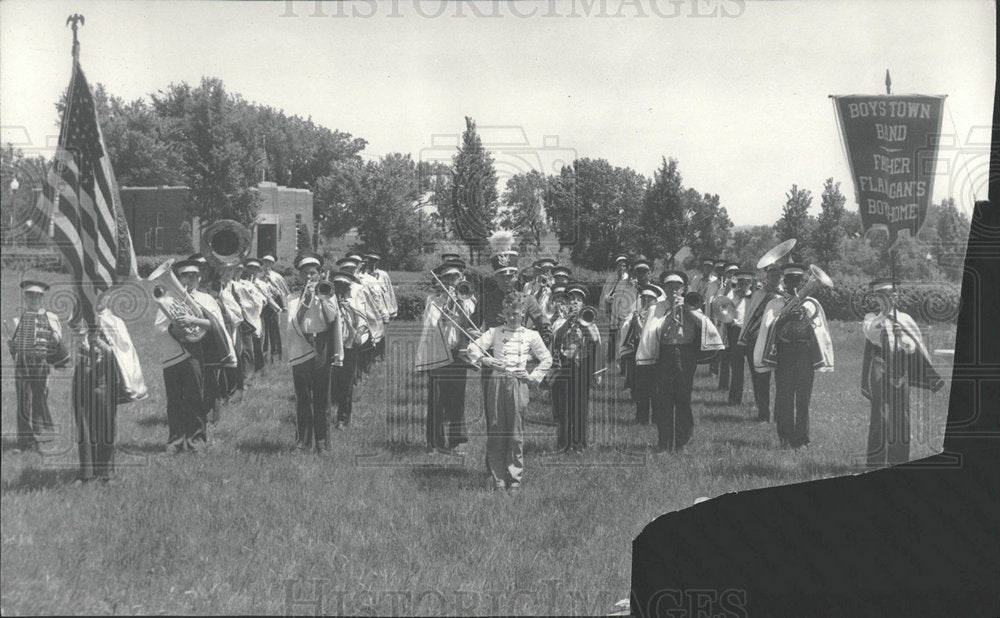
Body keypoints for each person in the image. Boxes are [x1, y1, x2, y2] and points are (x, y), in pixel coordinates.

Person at [468, 293, 552, 492]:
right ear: (503, 314)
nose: (512, 317)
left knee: (515, 432)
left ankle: (514, 477)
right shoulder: (495, 332)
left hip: (517, 383)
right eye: (508, 314)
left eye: (516, 313)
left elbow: (547, 359)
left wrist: (532, 377)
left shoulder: (531, 335)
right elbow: (472, 348)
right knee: (496, 428)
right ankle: (498, 478)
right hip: (497, 381)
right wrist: (485, 360)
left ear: (522, 313)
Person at [636, 271, 725, 452]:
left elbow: (705, 326)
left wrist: (687, 310)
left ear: (683, 288)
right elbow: (652, 333)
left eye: (678, 287)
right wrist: (670, 316)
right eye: (670, 287)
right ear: (665, 289)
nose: (674, 290)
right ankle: (664, 441)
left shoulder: (691, 304)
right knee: (663, 398)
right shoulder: (657, 308)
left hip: (685, 353)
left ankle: (682, 441)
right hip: (665, 354)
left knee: (683, 397)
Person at [861, 279, 944, 467]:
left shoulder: (905, 318)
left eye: (889, 296)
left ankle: (898, 460)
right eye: (881, 296)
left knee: (901, 415)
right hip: (880, 366)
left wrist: (901, 337)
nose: (885, 300)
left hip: (901, 368)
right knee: (880, 415)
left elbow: (913, 348)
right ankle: (875, 463)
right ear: (876, 298)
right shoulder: (871, 317)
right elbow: (871, 333)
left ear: (895, 296)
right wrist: (886, 316)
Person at [754, 263, 835, 449]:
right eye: (791, 280)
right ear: (785, 282)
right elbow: (769, 328)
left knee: (803, 398)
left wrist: (805, 319)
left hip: (805, 353)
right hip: (785, 353)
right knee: (784, 396)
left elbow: (819, 330)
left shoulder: (812, 304)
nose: (795, 284)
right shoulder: (775, 303)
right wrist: (785, 317)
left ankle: (802, 439)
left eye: (799, 280)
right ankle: (785, 437)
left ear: (803, 281)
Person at [72, 290, 147, 483]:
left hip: (105, 376)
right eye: (93, 293)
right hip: (83, 373)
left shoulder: (115, 322)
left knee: (106, 424)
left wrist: (100, 343)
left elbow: (122, 353)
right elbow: (75, 336)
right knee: (84, 424)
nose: (97, 298)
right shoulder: (81, 316)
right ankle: (86, 473)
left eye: (101, 294)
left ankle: (106, 472)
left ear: (108, 297)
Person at [477, 251, 552, 421]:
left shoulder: (528, 300)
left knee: (517, 413)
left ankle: (515, 447)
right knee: (493, 413)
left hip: (517, 367)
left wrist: (532, 355)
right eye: (502, 276)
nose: (506, 280)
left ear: (516, 277)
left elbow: (546, 329)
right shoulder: (485, 299)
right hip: (492, 366)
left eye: (510, 276)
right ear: (495, 278)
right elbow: (469, 327)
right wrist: (475, 336)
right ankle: (495, 447)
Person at [153, 260, 215, 453]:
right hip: (172, 355)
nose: (190, 279)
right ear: (178, 279)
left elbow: (215, 325)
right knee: (174, 400)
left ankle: (196, 441)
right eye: (185, 276)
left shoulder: (206, 299)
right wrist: (176, 327)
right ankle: (175, 441)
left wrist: (192, 320)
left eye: (194, 275)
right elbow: (158, 327)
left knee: (195, 398)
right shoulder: (168, 299)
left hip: (194, 354)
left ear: (200, 278)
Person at [416, 262, 478, 453]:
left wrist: (458, 301)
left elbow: (471, 318)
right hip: (437, 353)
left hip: (458, 353)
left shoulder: (468, 297)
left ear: (462, 278)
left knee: (457, 398)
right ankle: (434, 442)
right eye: (447, 278)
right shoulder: (433, 299)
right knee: (436, 399)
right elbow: (429, 323)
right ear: (441, 280)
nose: (451, 281)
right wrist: (443, 305)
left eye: (455, 277)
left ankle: (456, 441)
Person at [286, 253, 343, 453]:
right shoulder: (293, 297)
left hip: (322, 346)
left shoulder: (328, 294)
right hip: (302, 346)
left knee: (322, 397)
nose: (310, 277)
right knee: (303, 398)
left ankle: (322, 443)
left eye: (313, 273)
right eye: (306, 274)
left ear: (320, 275)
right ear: (300, 276)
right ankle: (303, 442)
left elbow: (332, 320)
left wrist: (322, 298)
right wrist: (307, 299)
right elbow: (295, 323)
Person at [7, 279, 71, 452]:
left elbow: (57, 341)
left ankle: (41, 437)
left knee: (39, 398)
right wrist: (12, 346)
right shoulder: (18, 317)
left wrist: (51, 337)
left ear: (42, 298)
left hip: (40, 364)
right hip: (22, 364)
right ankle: (24, 441)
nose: (33, 299)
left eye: (37, 296)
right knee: (23, 401)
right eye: (30, 296)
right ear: (25, 297)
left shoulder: (51, 317)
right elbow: (15, 344)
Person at [550, 283, 602, 452]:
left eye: (578, 300)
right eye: (571, 299)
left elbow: (596, 342)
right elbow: (555, 340)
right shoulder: (560, 322)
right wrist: (569, 321)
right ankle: (563, 443)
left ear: (583, 304)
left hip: (582, 366)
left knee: (580, 406)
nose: (574, 303)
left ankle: (579, 444)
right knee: (564, 406)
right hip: (565, 366)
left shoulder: (589, 321)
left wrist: (583, 323)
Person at [737, 263, 783, 421]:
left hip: (778, 341)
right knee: (759, 378)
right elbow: (750, 317)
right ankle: (763, 413)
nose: (775, 278)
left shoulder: (786, 294)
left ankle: (779, 414)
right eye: (771, 275)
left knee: (781, 380)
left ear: (781, 276)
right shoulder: (759, 294)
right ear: (767, 276)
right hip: (757, 339)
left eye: (777, 275)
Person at [330, 268, 372, 429]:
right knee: (329, 383)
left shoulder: (353, 304)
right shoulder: (326, 302)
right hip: (331, 348)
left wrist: (357, 334)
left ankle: (343, 418)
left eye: (344, 287)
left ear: (348, 289)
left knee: (346, 384)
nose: (341, 290)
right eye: (337, 286)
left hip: (348, 347)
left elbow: (363, 322)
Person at [618, 283, 664, 424]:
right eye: (643, 298)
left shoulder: (659, 314)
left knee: (656, 389)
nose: (645, 301)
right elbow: (629, 332)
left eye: (649, 299)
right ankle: (641, 418)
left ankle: (657, 418)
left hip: (656, 354)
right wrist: (634, 321)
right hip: (639, 353)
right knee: (640, 388)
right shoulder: (636, 313)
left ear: (655, 301)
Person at [600, 254, 635, 366]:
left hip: (623, 309)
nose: (622, 268)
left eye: (624, 266)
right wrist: (607, 299)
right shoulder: (611, 278)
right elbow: (606, 292)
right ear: (616, 266)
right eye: (619, 266)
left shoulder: (629, 279)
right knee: (612, 335)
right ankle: (610, 359)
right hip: (612, 309)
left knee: (623, 335)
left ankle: (621, 359)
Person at [362, 252, 397, 364]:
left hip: (383, 308)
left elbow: (389, 292)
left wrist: (392, 309)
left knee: (381, 333)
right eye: (370, 260)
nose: (372, 263)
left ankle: (380, 355)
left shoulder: (383, 275)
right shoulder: (363, 276)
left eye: (375, 261)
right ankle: (370, 356)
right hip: (371, 309)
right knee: (371, 333)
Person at [725, 270, 754, 405]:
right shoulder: (733, 297)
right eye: (741, 283)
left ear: (750, 283)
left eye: (746, 283)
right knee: (736, 368)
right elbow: (724, 312)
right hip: (736, 332)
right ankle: (734, 400)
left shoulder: (755, 297)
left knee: (755, 368)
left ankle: (758, 401)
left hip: (751, 333)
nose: (743, 286)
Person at [715, 262, 740, 391]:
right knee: (724, 357)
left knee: (736, 358)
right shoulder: (722, 288)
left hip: (737, 326)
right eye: (730, 273)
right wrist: (727, 289)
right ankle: (723, 386)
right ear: (726, 275)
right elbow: (718, 304)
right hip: (725, 326)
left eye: (735, 273)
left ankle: (735, 386)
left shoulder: (741, 288)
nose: (732, 275)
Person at [260, 254, 289, 362]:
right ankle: (263, 355)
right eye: (265, 261)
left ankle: (276, 356)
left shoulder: (276, 277)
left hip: (274, 307)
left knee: (274, 331)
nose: (267, 264)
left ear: (272, 264)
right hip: (262, 306)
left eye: (269, 262)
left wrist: (284, 306)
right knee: (263, 331)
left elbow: (283, 292)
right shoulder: (258, 276)